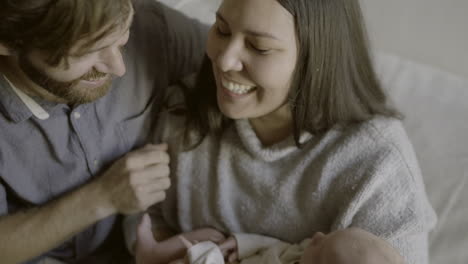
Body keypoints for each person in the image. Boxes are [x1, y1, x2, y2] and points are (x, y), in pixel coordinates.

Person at [131, 0, 437, 263]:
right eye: (222, 29)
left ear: (315, 59)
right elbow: (147, 220)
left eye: (259, 47)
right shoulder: (183, 112)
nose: (224, 60)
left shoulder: (377, 164)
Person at [0, 0, 207, 263]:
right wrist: (103, 197)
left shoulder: (150, 23)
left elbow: (235, 68)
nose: (119, 68)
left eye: (122, 38)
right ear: (7, 40)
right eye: (89, 51)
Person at [136, 215, 406, 264]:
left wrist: (207, 258)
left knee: (202, 252)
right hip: (235, 257)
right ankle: (153, 253)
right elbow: (272, 245)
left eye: (321, 244)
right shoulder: (302, 253)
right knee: (211, 236)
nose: (316, 236)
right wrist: (240, 243)